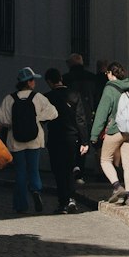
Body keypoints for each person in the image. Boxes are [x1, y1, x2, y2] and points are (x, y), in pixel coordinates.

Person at [0, 66, 58, 213]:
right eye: (33, 80)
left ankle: (21, 205)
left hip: (15, 140)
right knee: (34, 170)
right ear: (29, 82)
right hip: (34, 139)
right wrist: (37, 118)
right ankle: (36, 190)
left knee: (20, 172)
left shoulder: (9, 99)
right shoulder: (38, 97)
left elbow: (1, 120)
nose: (34, 83)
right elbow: (53, 113)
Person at [91, 62, 129, 205]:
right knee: (128, 161)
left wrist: (94, 135)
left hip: (116, 129)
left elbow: (102, 112)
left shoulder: (109, 89)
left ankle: (117, 186)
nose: (106, 76)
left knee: (105, 159)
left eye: (107, 73)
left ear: (111, 74)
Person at [44, 67, 88, 212]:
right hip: (72, 137)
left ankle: (62, 202)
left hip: (55, 137)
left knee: (58, 170)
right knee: (69, 169)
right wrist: (84, 141)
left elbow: (42, 119)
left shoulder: (47, 97)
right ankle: (71, 199)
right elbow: (80, 119)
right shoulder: (74, 95)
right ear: (60, 78)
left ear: (50, 82)